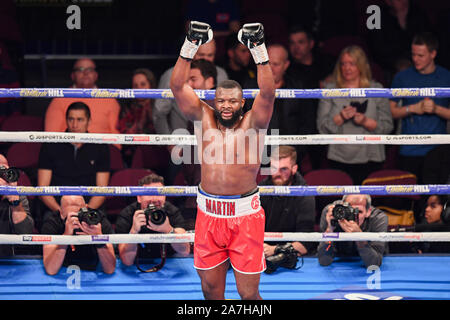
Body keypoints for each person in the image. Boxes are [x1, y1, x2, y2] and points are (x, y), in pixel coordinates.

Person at [170, 21, 275, 300]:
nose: (226, 106)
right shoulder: (204, 117)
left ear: (242, 104)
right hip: (209, 214)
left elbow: (267, 92)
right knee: (211, 289)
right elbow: (177, 86)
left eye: (232, 101)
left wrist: (258, 49)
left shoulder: (255, 123)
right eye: (221, 101)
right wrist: (191, 44)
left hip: (245, 216)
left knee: (248, 293)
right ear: (214, 102)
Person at [317, 45, 394, 185]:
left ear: (361, 65)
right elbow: (321, 128)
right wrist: (340, 118)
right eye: (343, 64)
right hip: (338, 157)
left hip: (371, 156)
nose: (347, 68)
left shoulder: (376, 89)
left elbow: (388, 126)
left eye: (352, 64)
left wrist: (365, 121)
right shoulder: (330, 90)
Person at [389, 32, 450, 184]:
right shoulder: (402, 77)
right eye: (413, 54)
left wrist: (437, 109)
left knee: (436, 199)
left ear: (433, 54)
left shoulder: (447, 77)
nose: (415, 59)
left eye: (420, 55)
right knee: (409, 200)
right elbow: (391, 112)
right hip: (409, 148)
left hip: (438, 148)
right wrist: (412, 109)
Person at [244, 44, 317, 168]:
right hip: (257, 158)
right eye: (266, 64)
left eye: (275, 64)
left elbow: (307, 123)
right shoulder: (249, 88)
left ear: (286, 65)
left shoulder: (298, 89)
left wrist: (296, 152)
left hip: (291, 155)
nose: (270, 68)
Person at [38, 102, 110, 221]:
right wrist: (61, 211)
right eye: (71, 119)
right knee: (48, 226)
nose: (75, 124)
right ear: (66, 120)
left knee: (105, 231)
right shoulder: (50, 145)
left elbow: (102, 189)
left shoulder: (100, 146)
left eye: (80, 120)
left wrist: (85, 212)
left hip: (89, 208)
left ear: (89, 121)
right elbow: (42, 188)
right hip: (57, 209)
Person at [153, 39, 228, 140]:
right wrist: (168, 142)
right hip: (179, 139)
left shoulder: (221, 75)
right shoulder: (172, 75)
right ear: (192, 53)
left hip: (212, 142)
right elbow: (159, 112)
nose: (205, 59)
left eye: (210, 55)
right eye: (201, 55)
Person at [259, 146, 316, 272]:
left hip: (293, 258)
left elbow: (305, 244)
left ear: (294, 169)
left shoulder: (304, 194)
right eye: (274, 169)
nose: (277, 174)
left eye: (283, 169)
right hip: (260, 252)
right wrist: (260, 246)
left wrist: (275, 249)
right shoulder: (261, 190)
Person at [116, 173, 190, 267]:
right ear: (139, 198)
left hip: (168, 263)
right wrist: (133, 232)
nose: (154, 199)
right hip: (137, 265)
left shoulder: (172, 212)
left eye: (159, 194)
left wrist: (169, 230)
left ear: (164, 196)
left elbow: (185, 251)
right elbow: (127, 261)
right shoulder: (127, 215)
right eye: (149, 194)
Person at [44, 58, 121, 147]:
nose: (85, 73)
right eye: (80, 70)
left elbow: (116, 137)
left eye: (90, 70)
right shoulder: (59, 99)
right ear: (73, 75)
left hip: (101, 153)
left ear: (96, 75)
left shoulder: (110, 100)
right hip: (68, 153)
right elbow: (50, 137)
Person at [41, 195, 116, 275]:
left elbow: (110, 269)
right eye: (72, 216)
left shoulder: (97, 219)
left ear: (86, 208)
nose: (76, 220)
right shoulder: (52, 223)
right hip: (63, 267)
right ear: (61, 212)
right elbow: (51, 270)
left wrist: (98, 239)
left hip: (93, 265)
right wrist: (66, 236)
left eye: (79, 215)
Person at [317, 194, 388, 268]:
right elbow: (324, 261)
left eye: (359, 212)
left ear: (368, 212)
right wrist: (329, 231)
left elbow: (373, 264)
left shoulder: (378, 219)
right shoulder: (332, 213)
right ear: (343, 205)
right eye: (349, 211)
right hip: (339, 263)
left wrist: (359, 238)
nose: (354, 216)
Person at [118, 68, 157, 166]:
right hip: (131, 157)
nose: (139, 88)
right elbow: (125, 134)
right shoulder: (127, 107)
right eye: (135, 85)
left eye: (143, 84)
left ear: (151, 86)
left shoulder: (159, 106)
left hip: (158, 157)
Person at [0, 154, 34, 256]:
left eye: (5, 167)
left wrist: (14, 200)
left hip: (5, 259)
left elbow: (25, 232)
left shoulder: (16, 194)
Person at [286, 25, 335, 90]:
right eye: (292, 43)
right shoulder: (286, 68)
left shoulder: (326, 62)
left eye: (301, 42)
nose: (296, 48)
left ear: (311, 44)